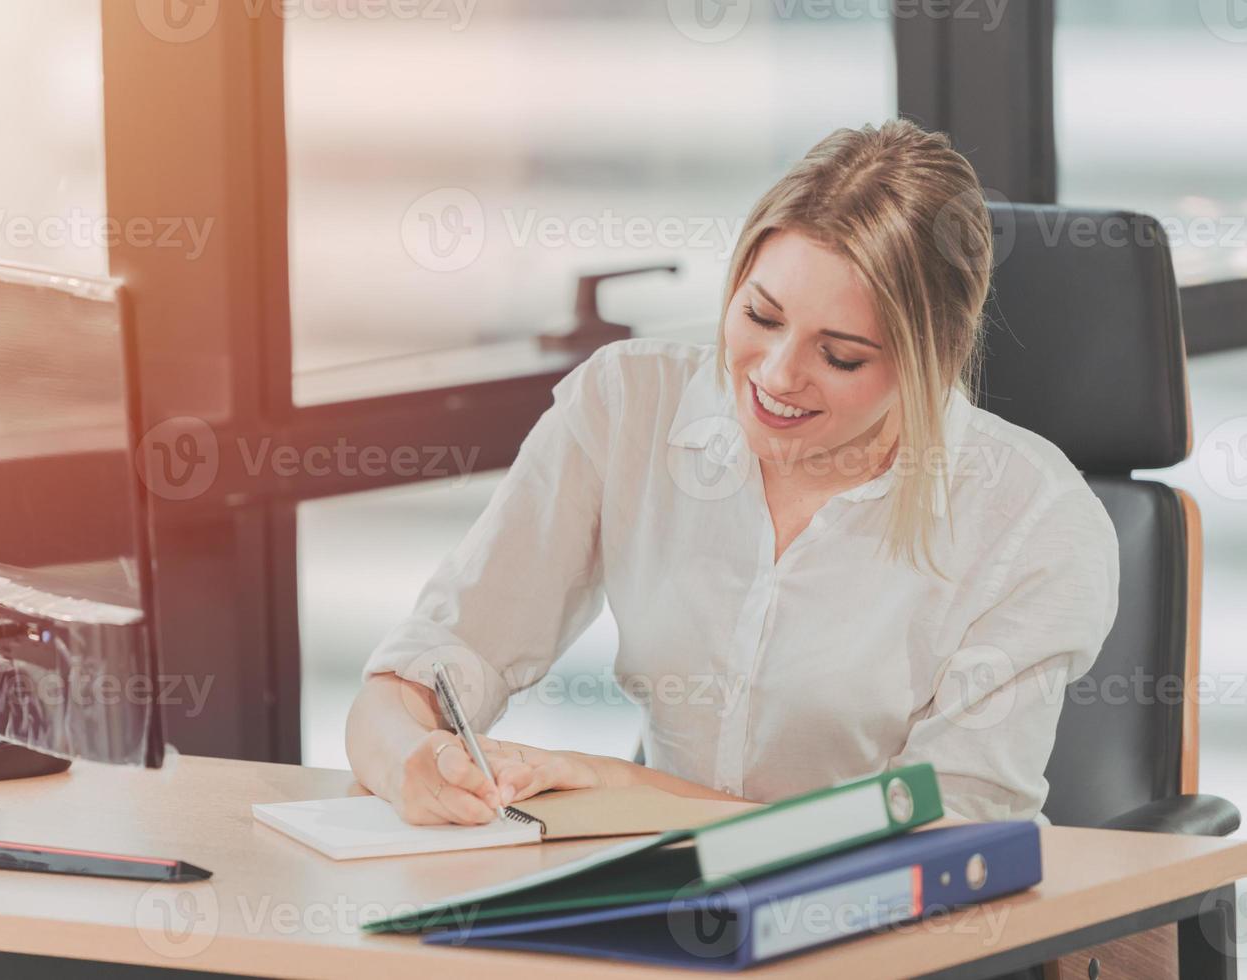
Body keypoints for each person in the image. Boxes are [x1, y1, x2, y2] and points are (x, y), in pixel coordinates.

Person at [345, 119, 1120, 826]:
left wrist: (621, 788)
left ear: (934, 358)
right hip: (675, 898)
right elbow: (436, 658)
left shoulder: (1032, 517)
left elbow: (942, 824)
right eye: (761, 316)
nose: (778, 376)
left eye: (840, 354)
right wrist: (410, 756)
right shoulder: (628, 406)